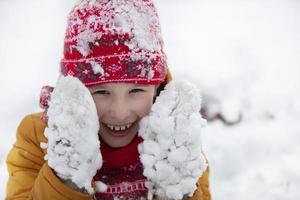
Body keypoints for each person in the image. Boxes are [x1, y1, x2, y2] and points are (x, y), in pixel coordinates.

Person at [5, 0, 211, 199]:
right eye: (101, 92)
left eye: (136, 90)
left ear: (157, 87)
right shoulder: (40, 137)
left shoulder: (176, 138)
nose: (120, 112)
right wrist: (64, 178)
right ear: (75, 89)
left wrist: (177, 188)